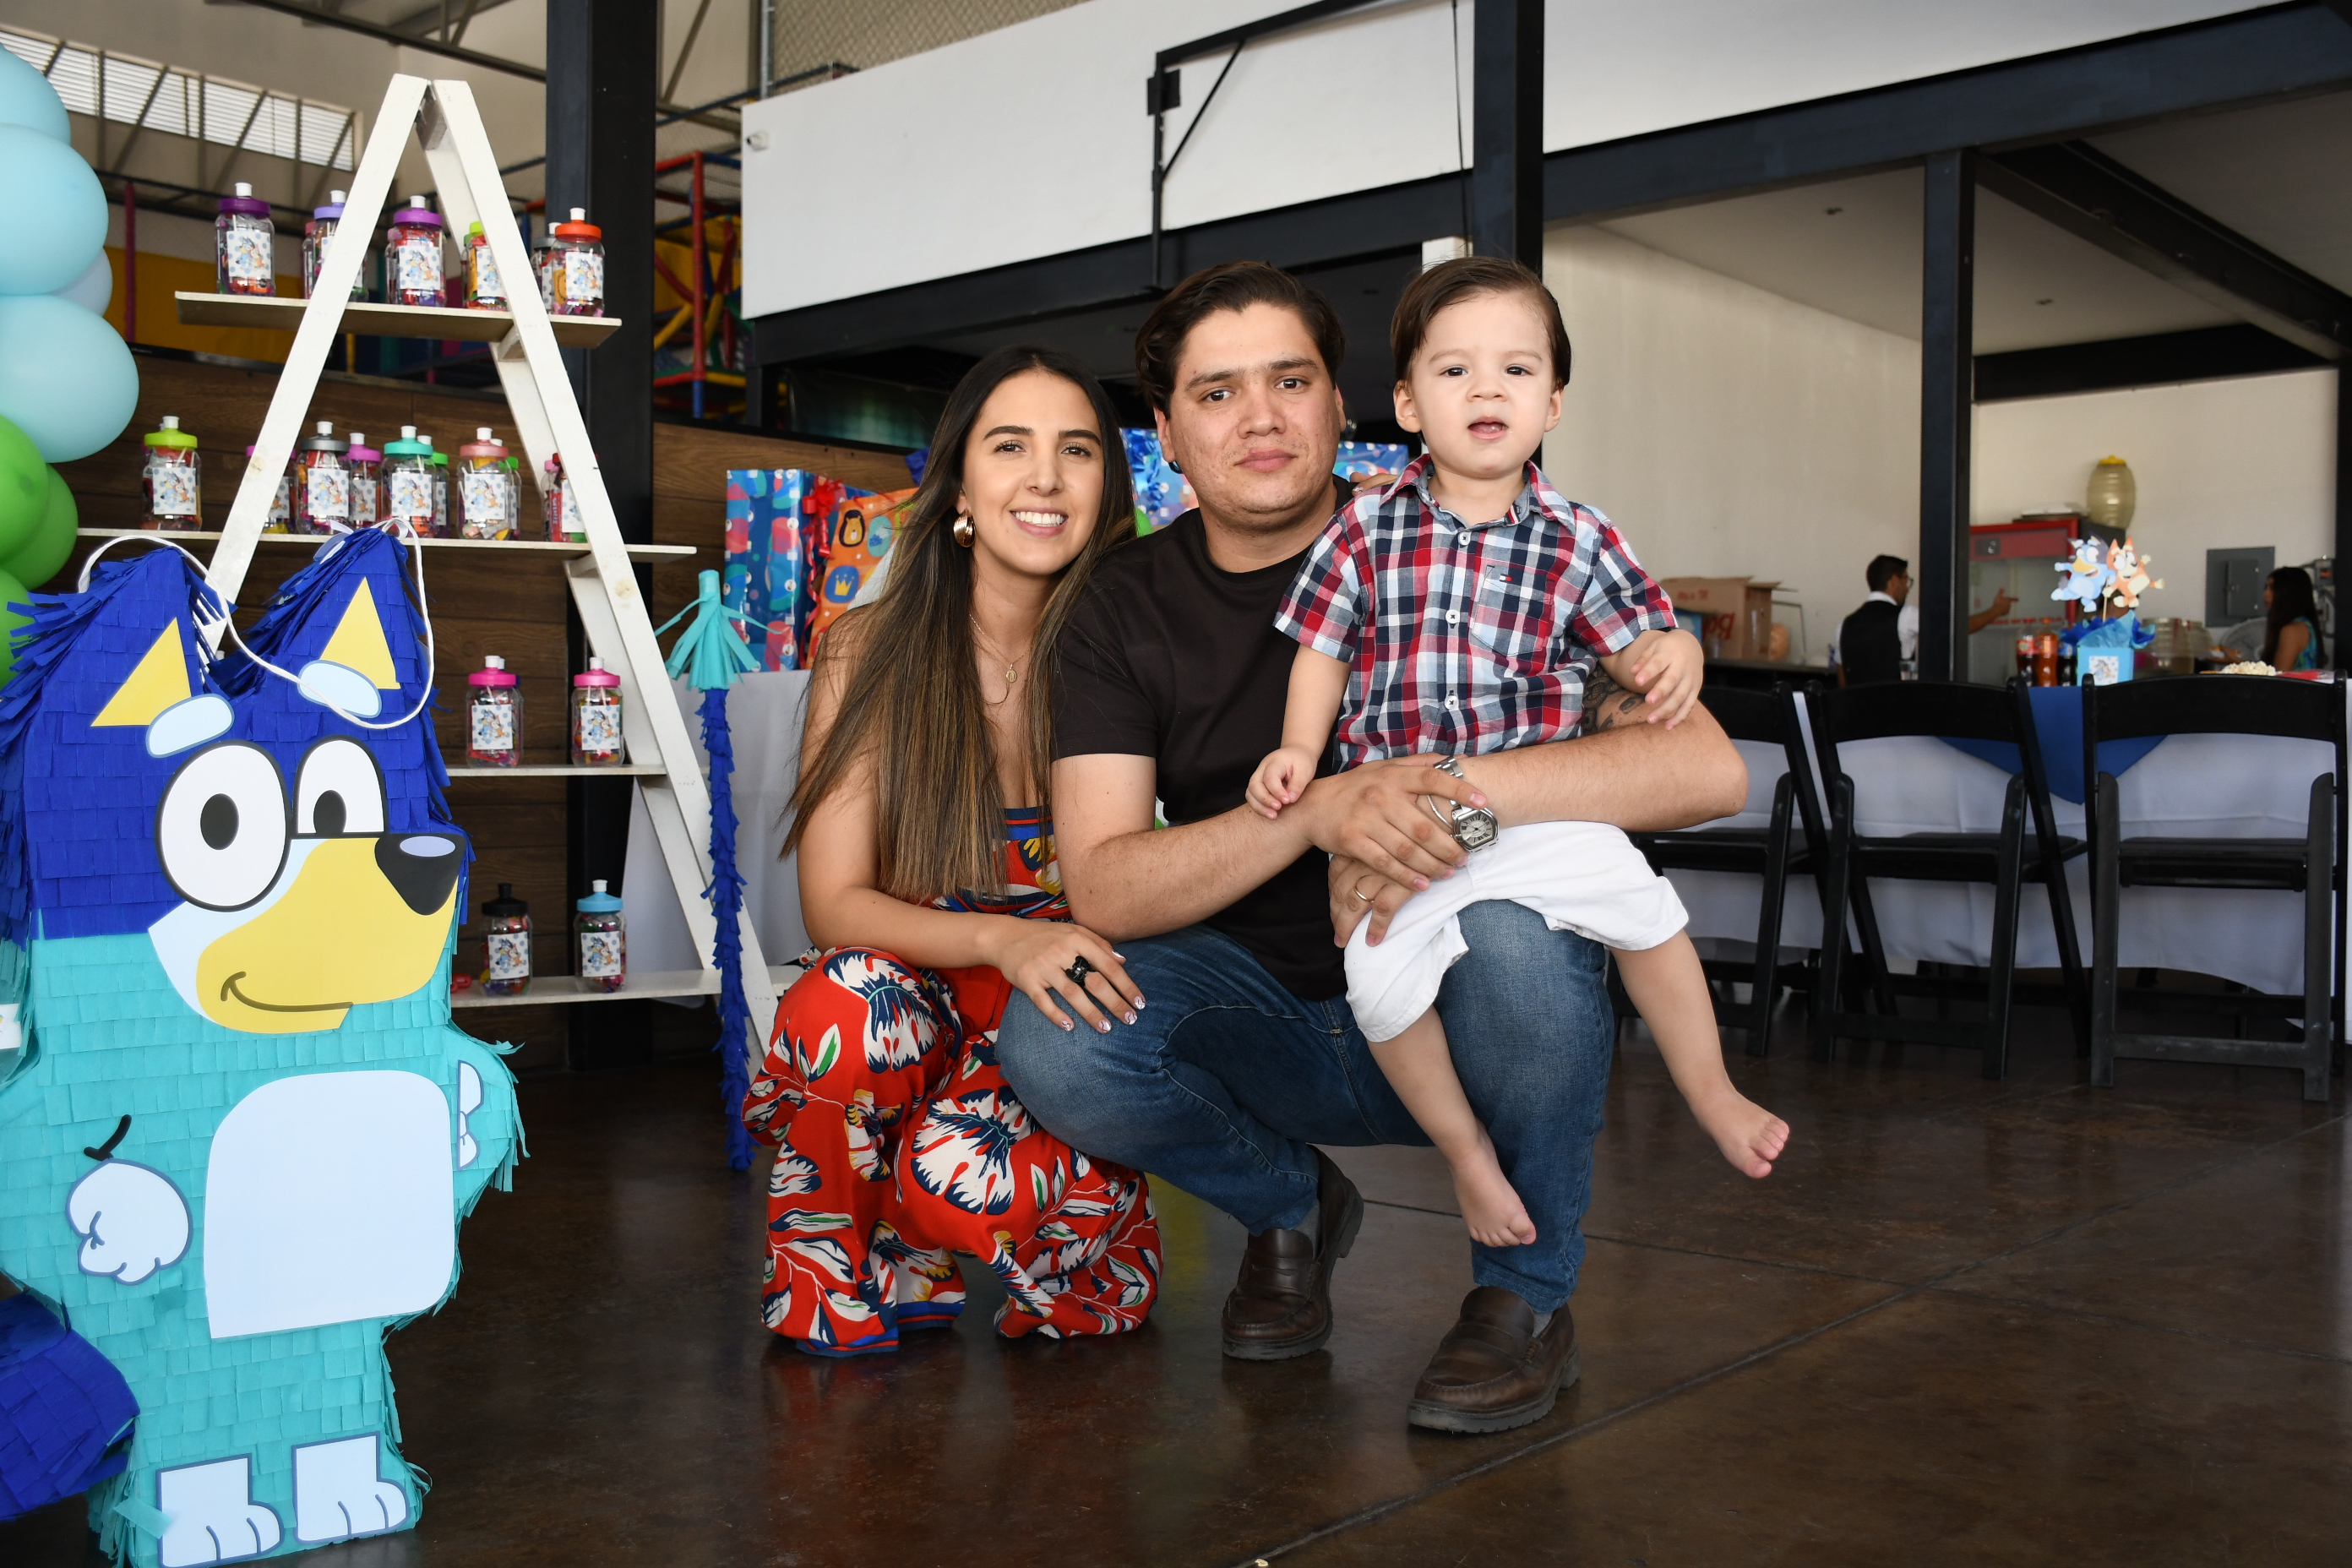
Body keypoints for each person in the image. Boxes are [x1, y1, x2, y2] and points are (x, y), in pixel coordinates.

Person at [994, 261, 1750, 1435]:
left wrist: (1446, 804)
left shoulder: (1472, 529)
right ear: (1168, 433)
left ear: (1344, 405)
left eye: (1290, 381)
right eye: (1216, 393)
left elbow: (1706, 769)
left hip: (1470, 998)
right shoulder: (1122, 604)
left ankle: (1524, 1294)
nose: (1260, 418)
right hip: (1263, 1013)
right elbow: (1104, 884)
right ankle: (1291, 1205)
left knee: (1522, 939)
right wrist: (1318, 811)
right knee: (1058, 1033)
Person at [1244, 258, 1788, 1250]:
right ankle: (1466, 1155)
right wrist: (1296, 748)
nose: (1486, 389)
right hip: (1401, 830)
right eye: (1454, 370)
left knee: (1651, 919)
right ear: (1410, 402)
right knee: (1381, 992)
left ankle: (1710, 1087)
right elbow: (1323, 648)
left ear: (1555, 402)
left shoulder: (1580, 537)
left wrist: (1679, 649)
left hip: (1533, 815)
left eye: (1517, 369)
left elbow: (1638, 647)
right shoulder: (1366, 525)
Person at [740, 346, 1162, 1357]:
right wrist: (1002, 940)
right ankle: (835, 1263)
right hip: (923, 978)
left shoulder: (1142, 647)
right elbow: (833, 903)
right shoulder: (868, 648)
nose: (1046, 477)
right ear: (960, 487)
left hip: (1067, 1004)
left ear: (1108, 487)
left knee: (966, 1182)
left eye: (1077, 450)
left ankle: (1067, 1246)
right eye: (1010, 446)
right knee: (839, 1004)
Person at [1835, 554, 2014, 683]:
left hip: (1857, 719)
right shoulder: (1905, 616)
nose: (1907, 588)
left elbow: (1843, 680)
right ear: (1894, 581)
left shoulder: (1844, 625)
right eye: (1906, 580)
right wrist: (1996, 611)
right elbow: (1955, 629)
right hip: (1896, 716)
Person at [2260, 565, 2326, 671]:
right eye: (2266, 588)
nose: (2266, 594)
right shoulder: (2307, 625)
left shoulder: (2291, 631)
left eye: (2273, 588)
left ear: (2289, 593)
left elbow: (2278, 677)